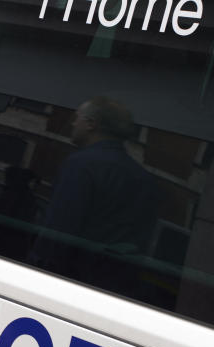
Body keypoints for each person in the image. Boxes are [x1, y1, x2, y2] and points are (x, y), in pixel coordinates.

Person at [32, 97, 160, 297]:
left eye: (78, 118)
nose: (73, 123)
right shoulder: (144, 179)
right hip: (114, 288)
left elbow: (58, 234)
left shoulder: (81, 165)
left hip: (69, 283)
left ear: (91, 124)